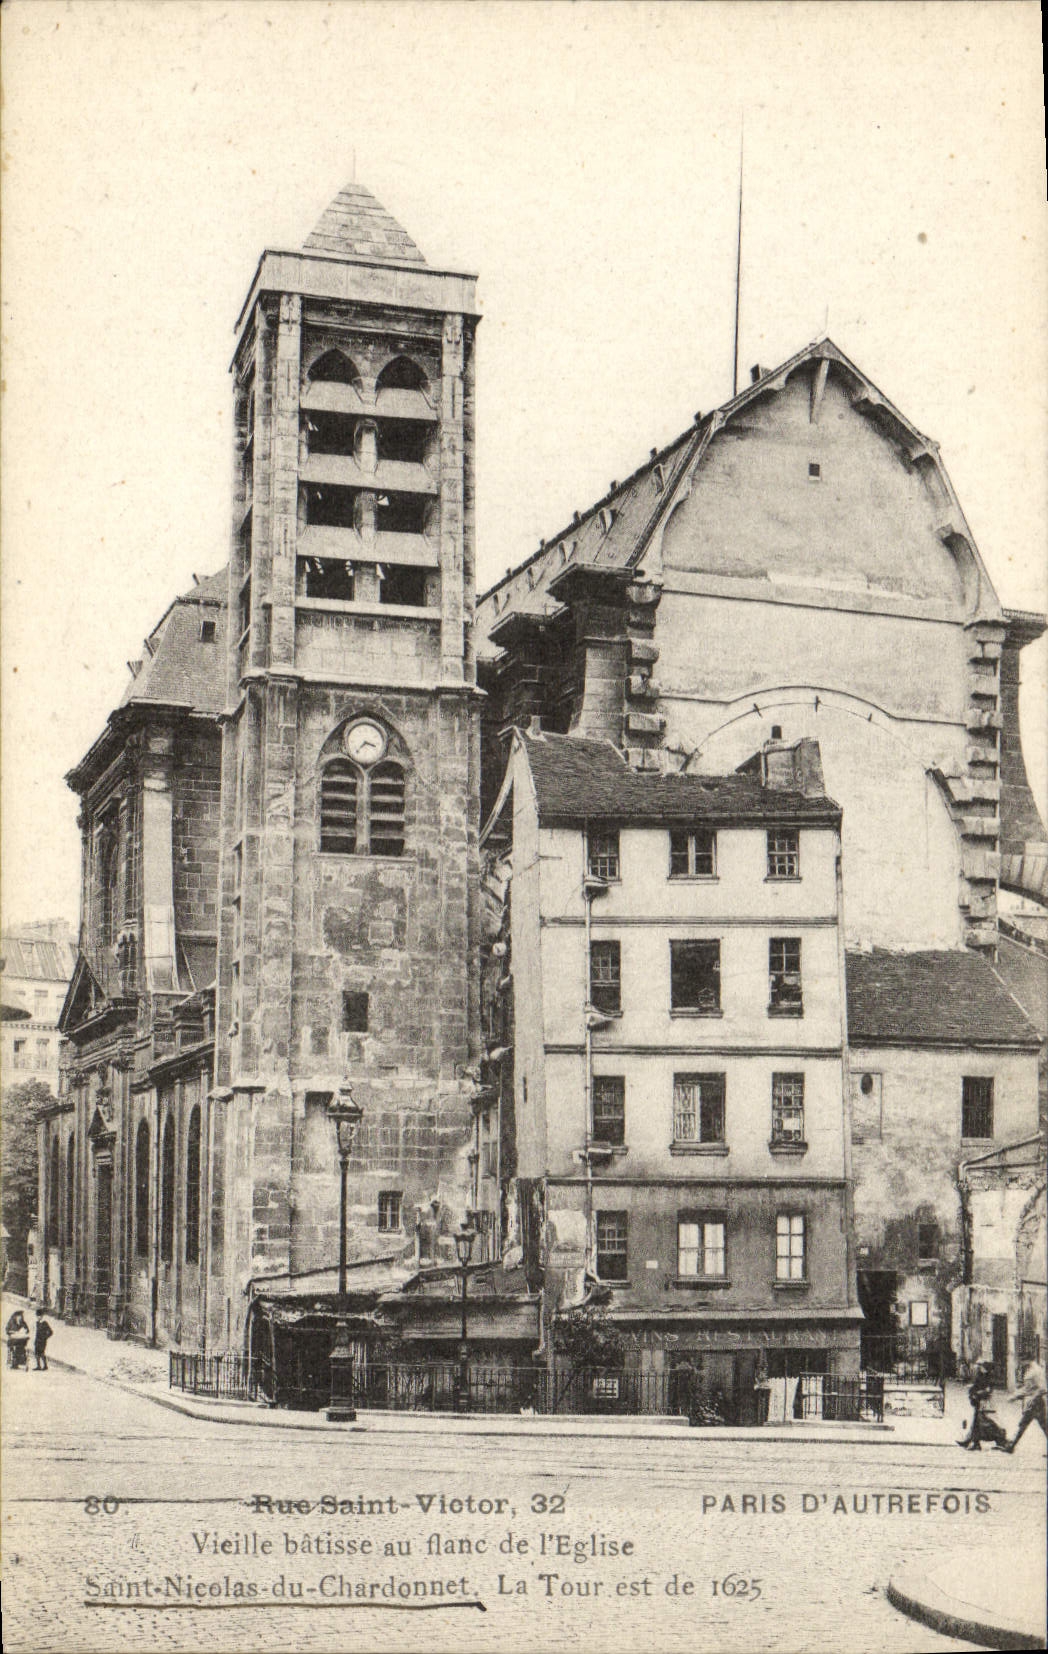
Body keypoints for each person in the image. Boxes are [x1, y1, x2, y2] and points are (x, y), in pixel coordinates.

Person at [957, 1362, 1007, 1450]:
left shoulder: (989, 1378)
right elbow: (975, 1386)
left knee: (986, 1423)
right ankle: (972, 1441)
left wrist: (977, 1393)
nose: (980, 1368)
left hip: (986, 1405)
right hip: (979, 1403)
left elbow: (988, 1391)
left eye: (982, 1367)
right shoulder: (980, 1376)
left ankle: (1000, 1439)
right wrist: (973, 1394)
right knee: (977, 1423)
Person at [1001, 1359, 1047, 1453]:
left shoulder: (1036, 1371)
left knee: (1042, 1426)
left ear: (1027, 1360)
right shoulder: (1031, 1370)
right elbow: (1027, 1388)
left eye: (1022, 1361)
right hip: (1032, 1403)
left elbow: (1043, 1388)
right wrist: (1015, 1396)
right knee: (1024, 1425)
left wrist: (1032, 1398)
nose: (1021, 1363)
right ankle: (1011, 1446)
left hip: (1036, 1403)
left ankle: (1011, 1447)